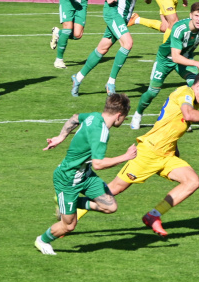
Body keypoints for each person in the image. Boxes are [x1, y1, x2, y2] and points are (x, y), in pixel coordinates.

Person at [109, 72, 199, 237]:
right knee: (113, 190)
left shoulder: (194, 101)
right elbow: (188, 115)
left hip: (167, 155)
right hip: (149, 152)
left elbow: (174, 125)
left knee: (192, 181)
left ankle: (153, 215)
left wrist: (175, 149)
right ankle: (72, 212)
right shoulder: (185, 93)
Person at [34, 93, 137, 255]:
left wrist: (61, 136)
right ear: (118, 115)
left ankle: (69, 203)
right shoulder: (101, 133)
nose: (124, 120)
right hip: (67, 180)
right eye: (125, 117)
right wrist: (126, 157)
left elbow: (75, 118)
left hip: (85, 176)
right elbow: (99, 163)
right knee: (69, 226)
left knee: (110, 206)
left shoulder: (95, 116)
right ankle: (42, 240)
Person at [70, 0, 152, 97]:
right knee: (128, 43)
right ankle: (111, 82)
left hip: (125, 17)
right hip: (112, 12)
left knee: (102, 48)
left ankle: (78, 77)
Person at [130, 2, 199, 130]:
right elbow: (175, 57)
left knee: (195, 85)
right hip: (166, 59)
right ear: (190, 15)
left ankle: (185, 117)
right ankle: (138, 114)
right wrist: (198, 63)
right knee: (153, 92)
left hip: (185, 58)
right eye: (196, 15)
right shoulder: (179, 28)